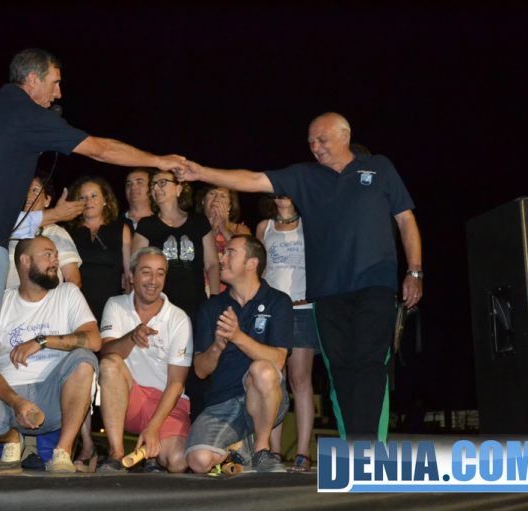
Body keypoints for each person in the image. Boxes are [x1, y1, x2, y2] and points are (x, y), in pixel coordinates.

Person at [0, 48, 186, 474]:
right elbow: (101, 150)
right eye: (54, 81)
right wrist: (159, 160)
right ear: (30, 80)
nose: (58, 92)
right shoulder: (25, 112)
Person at [178, 112, 423, 441]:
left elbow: (406, 220)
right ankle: (354, 446)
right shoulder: (305, 176)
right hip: (326, 292)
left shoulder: (380, 168)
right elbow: (253, 180)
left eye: (322, 140)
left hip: (374, 284)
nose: (316, 148)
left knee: (368, 363)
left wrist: (415, 270)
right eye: (310, 143)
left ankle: (367, 448)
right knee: (340, 370)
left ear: (345, 135)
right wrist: (202, 171)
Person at [0, 236, 100, 475]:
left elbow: (94, 340)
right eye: (48, 254)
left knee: (85, 358)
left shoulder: (68, 293)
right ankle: (12, 436)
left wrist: (42, 341)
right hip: (8, 400)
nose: (55, 260)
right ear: (25, 261)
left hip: (54, 398)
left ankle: (62, 451)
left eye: (56, 255)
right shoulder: (2, 302)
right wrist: (16, 402)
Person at [185, 235, 292, 474]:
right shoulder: (212, 307)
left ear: (252, 263)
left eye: (231, 252)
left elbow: (278, 360)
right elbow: (201, 370)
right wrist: (217, 346)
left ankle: (261, 450)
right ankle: (238, 445)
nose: (222, 258)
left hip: (265, 399)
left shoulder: (278, 302)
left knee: (262, 370)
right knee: (198, 461)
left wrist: (237, 336)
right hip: (222, 403)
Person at [97, 247, 192, 473]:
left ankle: (153, 455)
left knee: (178, 461)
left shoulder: (178, 318)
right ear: (131, 276)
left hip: (166, 405)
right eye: (146, 272)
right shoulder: (116, 304)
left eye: (160, 273)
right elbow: (105, 350)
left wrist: (153, 427)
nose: (153, 280)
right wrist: (131, 337)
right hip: (129, 400)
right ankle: (116, 455)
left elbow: (177, 383)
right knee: (110, 364)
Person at [256, 194, 317, 472]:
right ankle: (274, 452)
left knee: (300, 378)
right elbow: (258, 270)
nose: (283, 194)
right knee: (274, 381)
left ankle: (303, 452)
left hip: (303, 308)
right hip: (272, 310)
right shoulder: (263, 227)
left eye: (289, 189)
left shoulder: (311, 223)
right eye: (277, 189)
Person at [132, 172, 219, 320]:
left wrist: (215, 299)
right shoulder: (147, 225)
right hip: (159, 309)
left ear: (179, 189)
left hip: (196, 305)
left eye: (162, 182)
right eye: (153, 185)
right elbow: (136, 267)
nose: (156, 188)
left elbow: (212, 264)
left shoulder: (199, 222)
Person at [6, 170, 83, 289]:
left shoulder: (57, 233)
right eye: (25, 189)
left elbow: (73, 280)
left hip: (48, 304)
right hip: (9, 304)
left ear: (47, 200)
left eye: (34, 190)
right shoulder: (7, 228)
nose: (28, 194)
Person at [68, 176, 131, 321]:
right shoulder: (68, 232)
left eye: (94, 196)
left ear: (105, 200)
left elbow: (129, 275)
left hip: (112, 308)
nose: (88, 201)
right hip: (77, 309)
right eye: (83, 197)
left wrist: (129, 309)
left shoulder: (121, 229)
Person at [195, 185, 250, 294]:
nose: (216, 199)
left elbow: (248, 255)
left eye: (223, 196)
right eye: (212, 194)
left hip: (230, 292)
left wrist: (223, 227)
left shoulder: (239, 230)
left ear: (230, 206)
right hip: (198, 289)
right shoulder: (192, 226)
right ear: (203, 201)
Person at [122, 167, 154, 232]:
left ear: (151, 187)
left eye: (139, 182)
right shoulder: (114, 224)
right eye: (129, 184)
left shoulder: (163, 222)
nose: (133, 187)